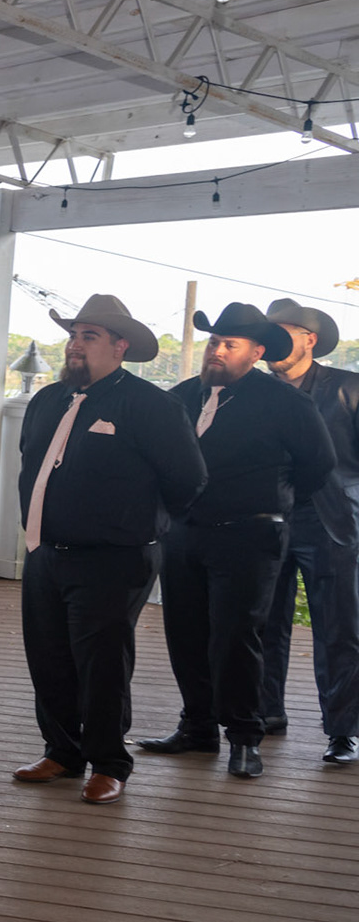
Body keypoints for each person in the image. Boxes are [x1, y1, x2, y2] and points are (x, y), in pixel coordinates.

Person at [13, 296, 206, 805]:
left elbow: (188, 480)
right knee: (48, 657)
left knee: (102, 665)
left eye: (89, 336)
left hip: (114, 558)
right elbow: (30, 464)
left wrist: (136, 523)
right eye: (73, 335)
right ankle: (62, 751)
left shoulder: (151, 406)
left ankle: (109, 763)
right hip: (45, 553)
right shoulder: (47, 400)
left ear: (120, 346)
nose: (75, 345)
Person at [142, 302, 335, 781]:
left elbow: (318, 464)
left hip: (250, 534)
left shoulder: (284, 402)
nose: (217, 351)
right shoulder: (182, 396)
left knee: (236, 637)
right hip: (184, 534)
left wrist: (275, 499)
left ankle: (245, 738)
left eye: (230, 344)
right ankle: (197, 727)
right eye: (214, 342)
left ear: (256, 353)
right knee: (185, 633)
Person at [258, 299, 359, 766]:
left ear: (310, 339)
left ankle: (343, 731)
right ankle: (265, 712)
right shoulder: (251, 389)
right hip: (266, 518)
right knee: (262, 623)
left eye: (283, 332)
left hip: (333, 522)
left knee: (340, 629)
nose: (273, 342)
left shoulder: (348, 388)